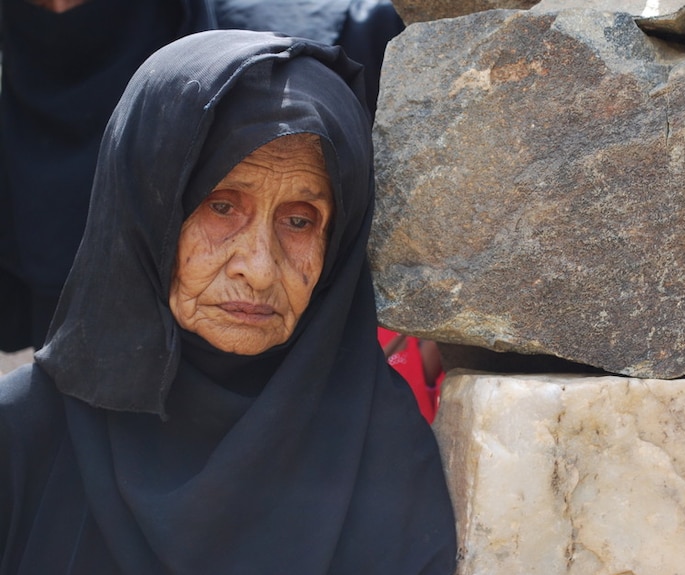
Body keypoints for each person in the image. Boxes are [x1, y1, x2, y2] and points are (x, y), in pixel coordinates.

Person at [0, 30, 456, 573]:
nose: (259, 269)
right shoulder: (22, 441)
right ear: (149, 206)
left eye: (299, 221)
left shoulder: (386, 456)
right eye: (221, 207)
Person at [0, 0, 403, 351]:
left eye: (297, 220)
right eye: (220, 207)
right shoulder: (35, 426)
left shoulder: (283, 51)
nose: (61, 12)